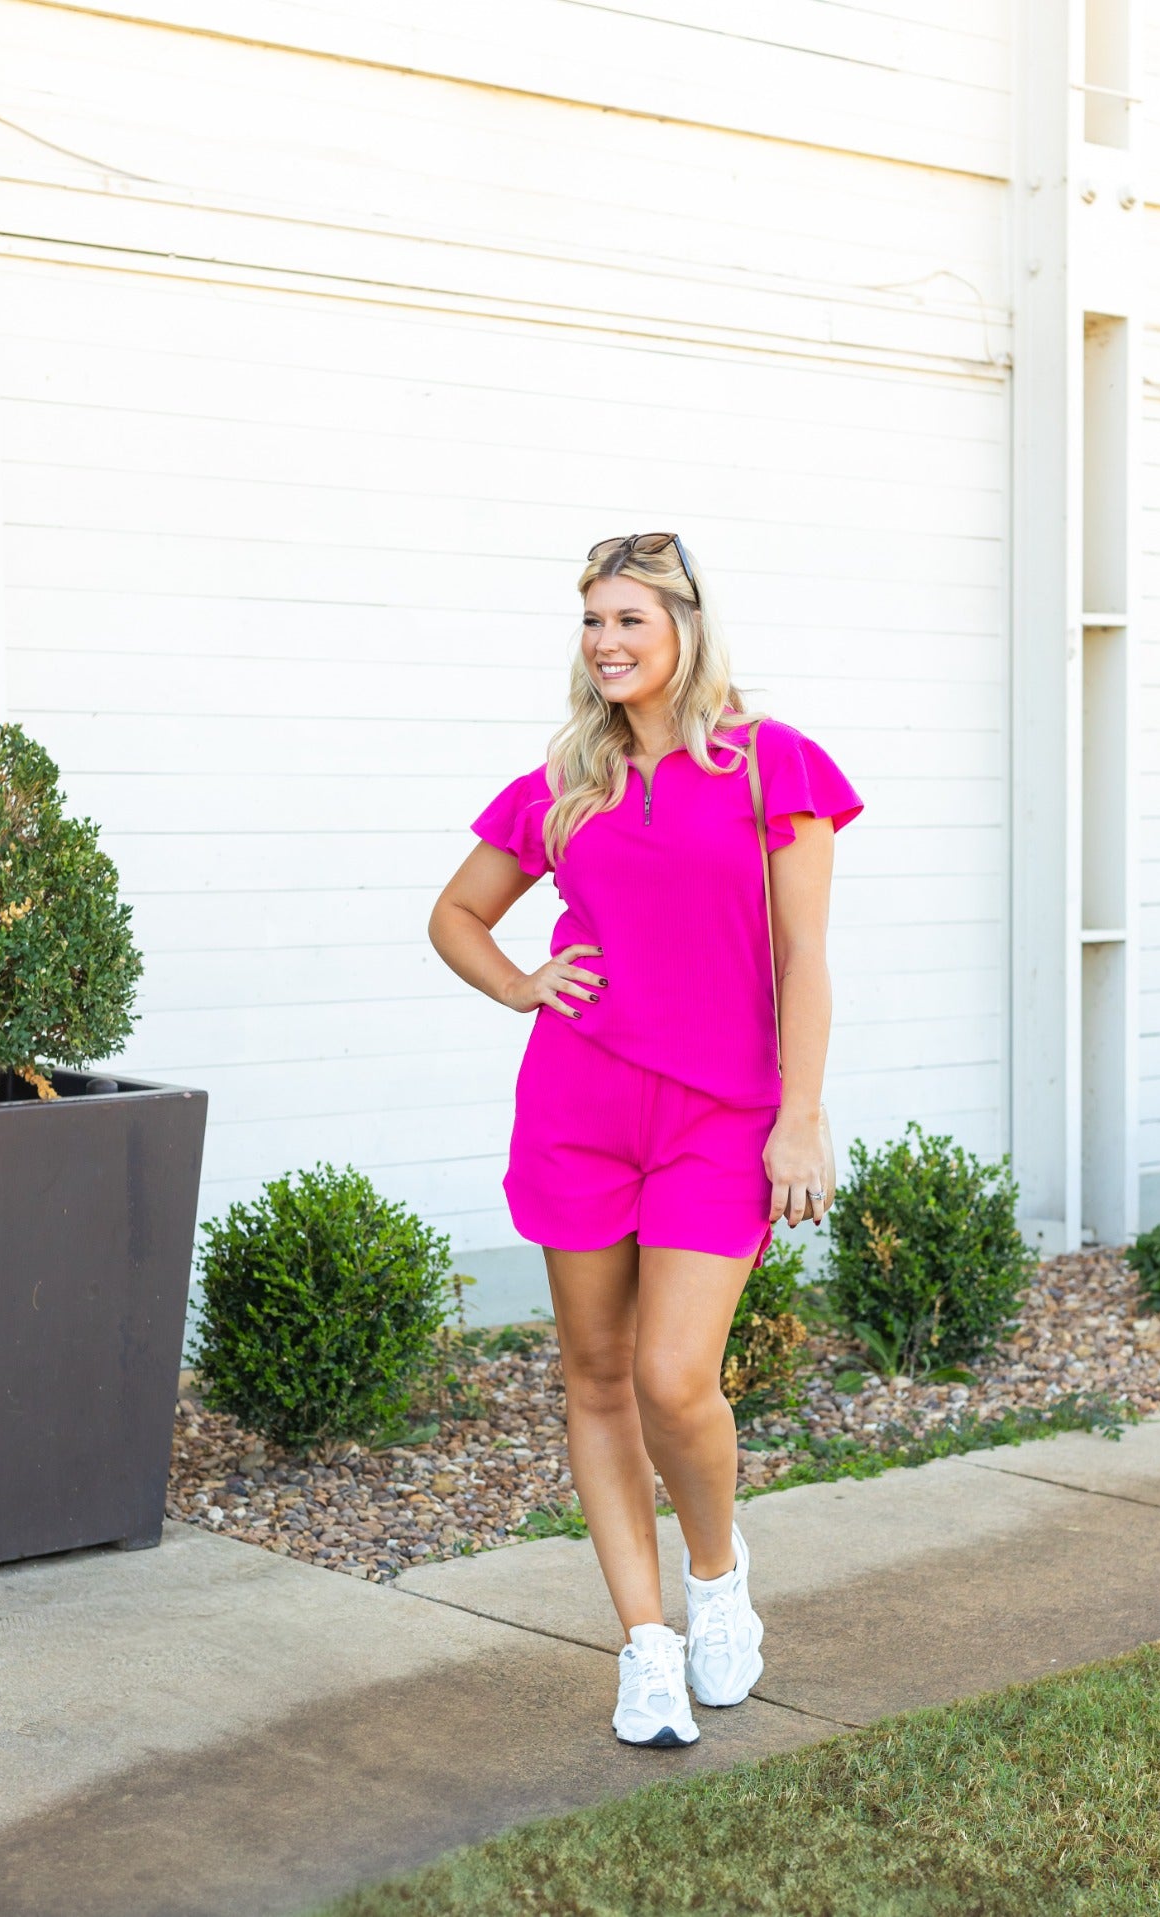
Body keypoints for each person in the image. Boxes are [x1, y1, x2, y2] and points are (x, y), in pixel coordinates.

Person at [427, 532, 863, 1747]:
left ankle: (716, 1582)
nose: (607, 643)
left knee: (675, 1378)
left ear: (685, 626)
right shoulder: (564, 782)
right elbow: (456, 913)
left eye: (631, 619)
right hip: (580, 1111)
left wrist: (801, 1117)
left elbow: (805, 959)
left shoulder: (773, 766)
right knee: (598, 1376)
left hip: (722, 1116)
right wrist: (521, 983)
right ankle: (646, 1646)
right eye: (592, 621)